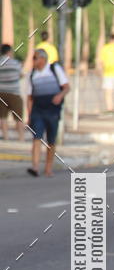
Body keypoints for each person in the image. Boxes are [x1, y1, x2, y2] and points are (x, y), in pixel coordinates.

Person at [26, 48, 69, 177]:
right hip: (38, 110)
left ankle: (48, 168)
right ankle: (35, 167)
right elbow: (29, 97)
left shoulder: (54, 69)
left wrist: (60, 96)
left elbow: (67, 87)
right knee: (37, 137)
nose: (33, 61)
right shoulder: (31, 74)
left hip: (53, 110)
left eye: (35, 58)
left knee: (51, 140)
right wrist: (29, 115)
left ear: (43, 59)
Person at [0, 44, 25, 142]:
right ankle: (21, 138)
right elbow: (21, 75)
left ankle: (6, 137)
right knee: (18, 117)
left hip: (1, 93)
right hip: (14, 93)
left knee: (2, 117)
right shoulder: (16, 63)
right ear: (9, 52)